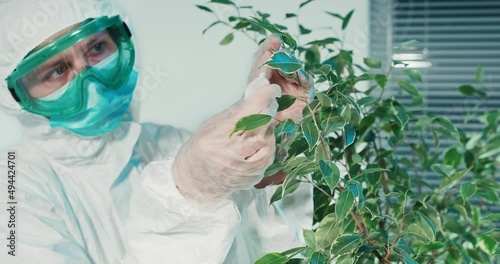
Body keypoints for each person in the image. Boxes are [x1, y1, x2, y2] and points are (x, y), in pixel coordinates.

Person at [0, 0, 315, 263]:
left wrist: (273, 138)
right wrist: (188, 194)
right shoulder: (12, 189)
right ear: (17, 97)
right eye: (57, 70)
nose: (91, 80)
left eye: (97, 47)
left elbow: (268, 249)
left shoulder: (169, 143)